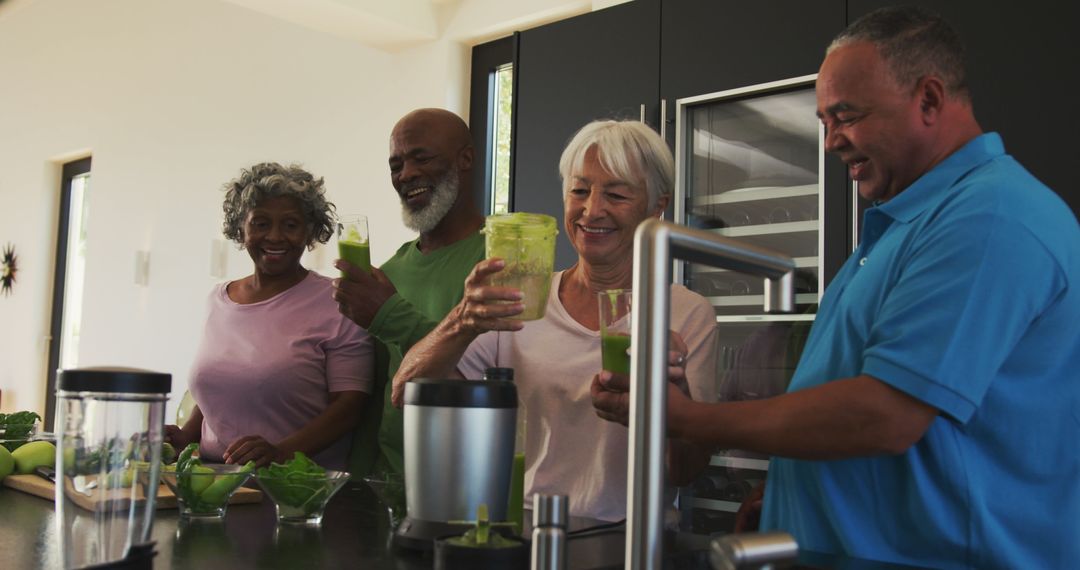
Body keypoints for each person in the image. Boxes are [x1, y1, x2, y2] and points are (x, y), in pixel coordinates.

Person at [592, 6, 1080, 568]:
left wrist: (681, 417)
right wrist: (794, 495)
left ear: (928, 99)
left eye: (845, 116)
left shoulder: (990, 217)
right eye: (824, 121)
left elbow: (885, 415)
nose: (830, 143)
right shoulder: (906, 224)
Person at [393, 120, 719, 522]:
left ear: (657, 206)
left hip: (631, 541)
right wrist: (463, 319)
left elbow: (685, 471)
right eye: (579, 191)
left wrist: (674, 397)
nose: (591, 210)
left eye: (616, 194)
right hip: (524, 528)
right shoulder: (522, 297)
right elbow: (405, 393)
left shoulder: (685, 312)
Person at [166, 162, 374, 470]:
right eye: (260, 223)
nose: (275, 237)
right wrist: (186, 436)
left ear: (310, 231)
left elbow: (350, 407)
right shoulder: (218, 299)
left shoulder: (337, 302)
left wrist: (281, 453)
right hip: (215, 478)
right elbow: (222, 388)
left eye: (290, 225)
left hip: (298, 486)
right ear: (241, 228)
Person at [332, 108, 486, 477]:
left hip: (467, 487)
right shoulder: (388, 272)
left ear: (465, 158)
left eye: (422, 158)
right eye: (395, 165)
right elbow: (375, 401)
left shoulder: (501, 256)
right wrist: (358, 484)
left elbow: (487, 382)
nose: (407, 174)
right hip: (388, 489)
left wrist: (389, 315)